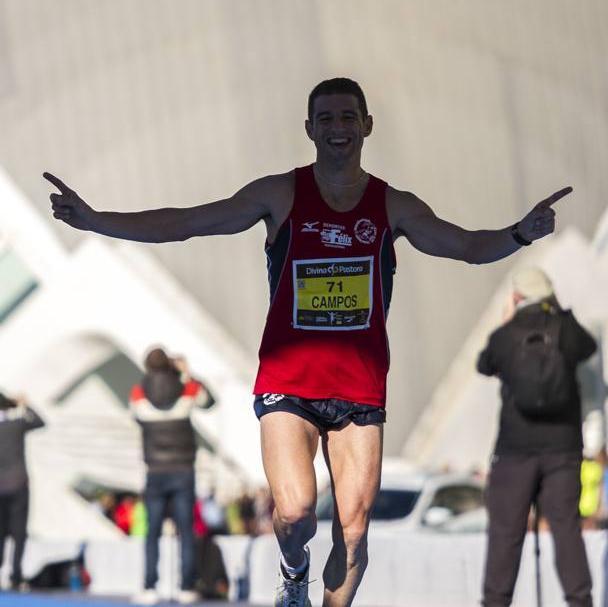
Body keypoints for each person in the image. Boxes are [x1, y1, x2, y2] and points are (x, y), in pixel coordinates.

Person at [44, 77, 571, 607]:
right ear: (309, 129)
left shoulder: (393, 206)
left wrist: (520, 233)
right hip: (287, 383)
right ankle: (293, 572)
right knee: (295, 513)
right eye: (326, 120)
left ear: (366, 125)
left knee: (354, 530)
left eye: (348, 118)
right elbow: (188, 223)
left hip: (359, 391)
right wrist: (97, 221)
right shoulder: (281, 194)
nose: (338, 129)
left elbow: (466, 247)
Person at [477, 267, 597, 607]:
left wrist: (505, 321)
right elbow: (587, 346)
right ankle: (580, 601)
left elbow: (485, 364)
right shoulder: (565, 329)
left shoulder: (507, 335)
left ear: (517, 296)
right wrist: (559, 311)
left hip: (514, 450)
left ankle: (495, 602)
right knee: (566, 530)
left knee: (505, 534)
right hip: (563, 449)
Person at [128, 348, 214, 606]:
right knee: (185, 530)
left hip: (155, 470)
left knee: (152, 531)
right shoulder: (185, 389)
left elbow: (137, 417)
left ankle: (149, 587)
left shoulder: (138, 392)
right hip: (183, 470)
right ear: (169, 364)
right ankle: (186, 587)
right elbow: (208, 401)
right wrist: (186, 374)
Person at [0, 392, 45, 591]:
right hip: (18, 485)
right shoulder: (17, 424)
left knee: (0, 532)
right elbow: (40, 421)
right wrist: (25, 405)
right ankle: (15, 574)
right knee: (19, 532)